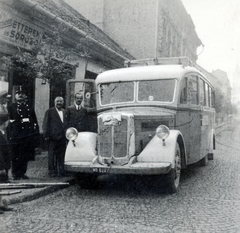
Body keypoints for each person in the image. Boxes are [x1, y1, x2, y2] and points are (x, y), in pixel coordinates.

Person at [8, 87, 40, 180]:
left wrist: (35, 133)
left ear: (26, 96)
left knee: (24, 154)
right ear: (15, 96)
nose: (20, 95)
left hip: (26, 134)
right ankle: (15, 173)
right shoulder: (12, 106)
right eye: (18, 93)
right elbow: (9, 120)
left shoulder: (29, 106)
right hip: (16, 134)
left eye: (22, 93)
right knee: (15, 155)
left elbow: (34, 120)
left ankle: (22, 172)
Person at [42, 96, 68, 177]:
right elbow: (45, 124)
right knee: (52, 155)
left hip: (63, 137)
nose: (59, 103)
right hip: (53, 137)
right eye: (57, 101)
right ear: (54, 102)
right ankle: (52, 172)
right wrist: (46, 135)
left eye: (61, 101)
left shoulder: (65, 111)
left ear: (63, 102)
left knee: (61, 155)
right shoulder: (49, 111)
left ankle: (61, 171)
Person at [0, 91, 11, 182]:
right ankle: (2, 175)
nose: (7, 99)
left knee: (6, 151)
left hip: (3, 131)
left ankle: (5, 175)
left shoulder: (4, 107)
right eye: (5, 98)